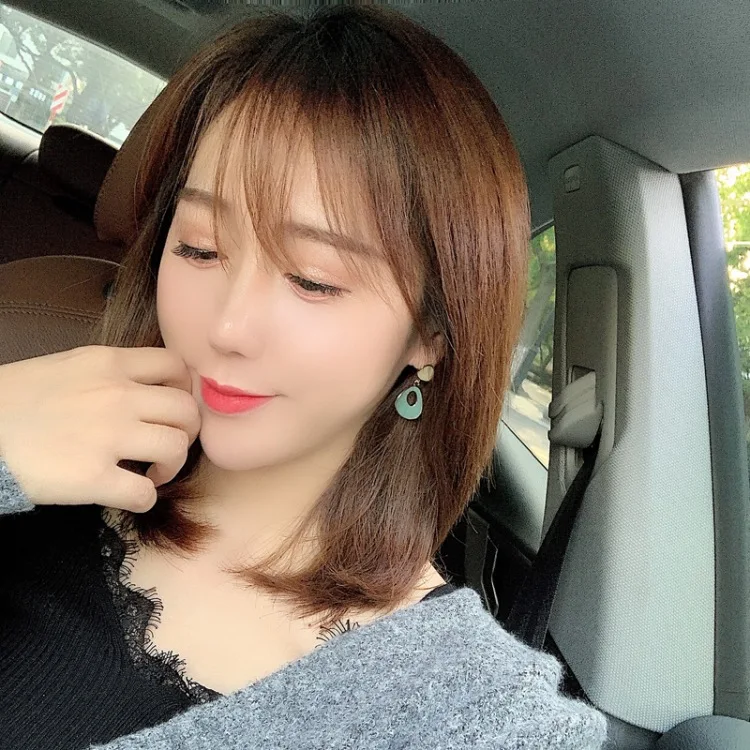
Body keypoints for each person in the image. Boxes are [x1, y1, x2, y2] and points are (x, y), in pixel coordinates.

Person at [0, 5, 607, 749]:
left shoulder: (474, 716)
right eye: (199, 248)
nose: (227, 327)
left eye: (313, 279)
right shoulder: (35, 449)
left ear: (430, 335)